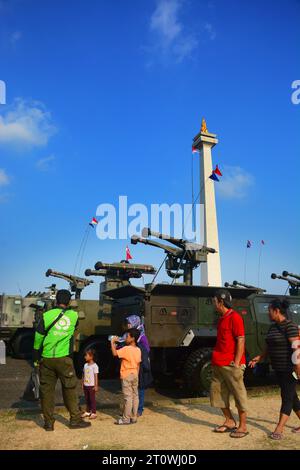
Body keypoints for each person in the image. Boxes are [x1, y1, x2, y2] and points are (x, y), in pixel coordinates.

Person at [33, 289, 91, 431]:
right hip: (64, 359)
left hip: (46, 359)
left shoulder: (46, 316)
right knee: (70, 389)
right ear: (69, 301)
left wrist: (36, 357)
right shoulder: (73, 316)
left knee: (47, 392)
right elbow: (74, 329)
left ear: (56, 301)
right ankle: (75, 420)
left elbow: (38, 337)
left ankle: (48, 423)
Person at [249, 299, 300, 440]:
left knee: (287, 397)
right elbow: (269, 346)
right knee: (292, 396)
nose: (268, 313)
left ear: (276, 310)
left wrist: (298, 368)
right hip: (278, 368)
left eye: (269, 310)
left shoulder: (290, 326)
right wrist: (260, 357)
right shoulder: (273, 327)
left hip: (289, 368)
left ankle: (279, 428)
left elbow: (296, 348)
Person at [210, 289, 248, 438]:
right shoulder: (222, 318)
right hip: (218, 362)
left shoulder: (235, 317)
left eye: (214, 301)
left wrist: (237, 363)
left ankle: (243, 426)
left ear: (220, 301)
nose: (214, 304)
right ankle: (230, 421)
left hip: (231, 364)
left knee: (239, 394)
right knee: (216, 393)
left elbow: (241, 339)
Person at [111, 328, 141, 425]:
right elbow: (138, 364)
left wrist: (112, 342)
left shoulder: (126, 349)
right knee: (135, 396)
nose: (126, 338)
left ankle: (126, 419)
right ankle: (134, 416)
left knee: (128, 397)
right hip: (135, 374)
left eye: (127, 336)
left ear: (132, 338)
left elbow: (115, 353)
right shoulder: (138, 350)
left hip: (126, 374)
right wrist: (136, 373)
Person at [125, 315, 150, 416]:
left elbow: (147, 350)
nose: (128, 325)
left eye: (129, 323)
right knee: (133, 388)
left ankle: (139, 409)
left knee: (140, 388)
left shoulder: (142, 337)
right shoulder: (130, 335)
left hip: (140, 366)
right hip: (133, 365)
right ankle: (134, 408)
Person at [81, 349, 99, 419]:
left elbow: (96, 376)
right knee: (87, 398)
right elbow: (84, 374)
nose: (85, 357)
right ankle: (88, 411)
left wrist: (96, 385)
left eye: (86, 355)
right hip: (86, 385)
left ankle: (94, 412)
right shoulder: (85, 365)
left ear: (91, 356)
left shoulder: (95, 366)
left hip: (91, 386)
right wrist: (82, 383)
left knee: (92, 399)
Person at [137, 340, 153, 417]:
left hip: (141, 373)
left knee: (139, 392)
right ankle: (139, 409)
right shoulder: (143, 347)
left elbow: (146, 364)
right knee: (140, 392)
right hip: (141, 373)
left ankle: (139, 409)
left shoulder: (140, 348)